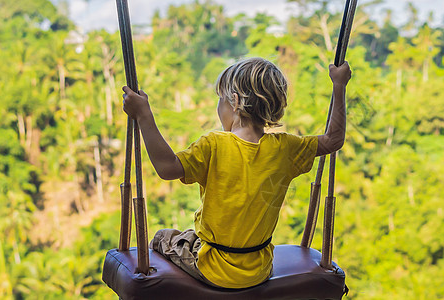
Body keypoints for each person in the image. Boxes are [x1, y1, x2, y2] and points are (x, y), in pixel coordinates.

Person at [121, 57, 351, 289]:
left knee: (163, 237)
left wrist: (144, 116)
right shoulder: (286, 148)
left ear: (235, 101)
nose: (218, 107)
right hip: (259, 269)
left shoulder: (213, 144)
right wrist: (339, 86)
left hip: (213, 268)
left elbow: (167, 168)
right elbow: (334, 139)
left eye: (220, 100)